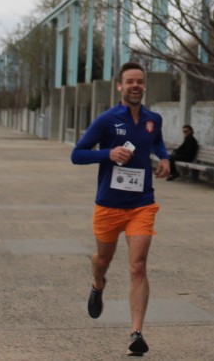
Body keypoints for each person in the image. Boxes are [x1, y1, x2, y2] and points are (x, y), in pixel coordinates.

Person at [70, 62, 171, 356]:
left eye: (139, 81)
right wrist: (108, 153)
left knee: (138, 266)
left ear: (144, 85)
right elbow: (77, 154)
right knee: (103, 259)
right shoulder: (107, 119)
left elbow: (157, 143)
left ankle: (136, 332)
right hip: (109, 205)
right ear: (120, 86)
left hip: (142, 204)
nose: (135, 86)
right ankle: (97, 282)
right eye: (129, 81)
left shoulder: (153, 120)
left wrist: (164, 159)